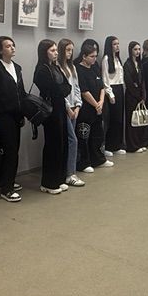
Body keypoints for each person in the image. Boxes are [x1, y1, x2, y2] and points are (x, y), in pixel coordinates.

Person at [0, 35, 26, 202]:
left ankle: (7, 180)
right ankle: (6, 189)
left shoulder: (17, 67)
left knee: (13, 149)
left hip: (16, 115)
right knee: (8, 151)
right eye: (8, 46)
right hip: (2, 116)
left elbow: (20, 92)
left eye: (13, 45)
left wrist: (24, 112)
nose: (12, 48)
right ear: (0, 50)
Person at [33, 39, 70, 195]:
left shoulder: (56, 67)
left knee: (62, 142)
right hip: (50, 110)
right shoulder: (41, 69)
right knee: (53, 145)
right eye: (52, 50)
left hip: (60, 107)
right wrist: (60, 90)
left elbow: (67, 87)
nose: (56, 53)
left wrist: (61, 90)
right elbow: (54, 89)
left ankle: (60, 178)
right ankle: (49, 182)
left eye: (56, 50)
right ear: (44, 52)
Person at [75, 42, 110, 172]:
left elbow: (102, 87)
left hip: (98, 107)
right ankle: (84, 163)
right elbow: (84, 91)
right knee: (84, 136)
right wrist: (95, 104)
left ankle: (98, 159)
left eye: (95, 56)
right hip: (86, 109)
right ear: (84, 56)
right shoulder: (79, 69)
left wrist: (101, 101)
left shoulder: (95, 67)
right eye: (91, 56)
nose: (94, 59)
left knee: (97, 134)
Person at [57, 39, 87, 186]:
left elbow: (76, 88)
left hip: (75, 107)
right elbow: (60, 91)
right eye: (67, 50)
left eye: (71, 50)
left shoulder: (72, 67)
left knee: (71, 140)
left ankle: (69, 171)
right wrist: (68, 108)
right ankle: (70, 173)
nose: (70, 53)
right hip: (65, 109)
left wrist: (78, 105)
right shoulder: (58, 67)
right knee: (72, 140)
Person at [123, 41, 148, 153]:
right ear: (130, 50)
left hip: (141, 96)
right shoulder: (127, 64)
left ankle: (140, 142)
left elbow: (143, 81)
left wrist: (143, 96)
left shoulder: (140, 64)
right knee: (132, 121)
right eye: (135, 49)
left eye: (139, 49)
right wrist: (138, 96)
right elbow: (129, 82)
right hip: (131, 96)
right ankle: (132, 145)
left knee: (141, 120)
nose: (138, 52)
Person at [101, 36, 126, 156]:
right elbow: (105, 78)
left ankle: (117, 145)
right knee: (112, 119)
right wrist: (110, 94)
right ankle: (108, 146)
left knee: (119, 119)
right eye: (114, 44)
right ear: (109, 46)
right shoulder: (106, 59)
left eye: (118, 44)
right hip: (112, 89)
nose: (117, 46)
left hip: (120, 88)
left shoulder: (117, 58)